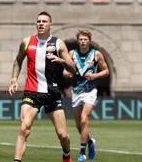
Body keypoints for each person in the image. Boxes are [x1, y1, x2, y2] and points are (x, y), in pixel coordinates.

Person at [8, 11, 76, 162]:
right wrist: (14, 79)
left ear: (50, 24)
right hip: (31, 92)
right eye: (39, 21)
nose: (41, 24)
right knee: (24, 129)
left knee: (62, 135)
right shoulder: (27, 42)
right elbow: (18, 60)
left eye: (44, 21)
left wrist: (61, 60)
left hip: (52, 93)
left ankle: (66, 154)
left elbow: (72, 69)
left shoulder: (58, 43)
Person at [63, 30, 109, 161]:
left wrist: (95, 75)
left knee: (84, 120)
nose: (83, 41)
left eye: (85, 39)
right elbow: (64, 71)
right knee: (79, 125)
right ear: (78, 41)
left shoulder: (96, 54)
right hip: (76, 92)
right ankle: (90, 142)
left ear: (89, 41)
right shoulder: (72, 54)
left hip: (90, 91)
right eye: (81, 39)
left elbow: (106, 71)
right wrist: (67, 73)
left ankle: (82, 152)